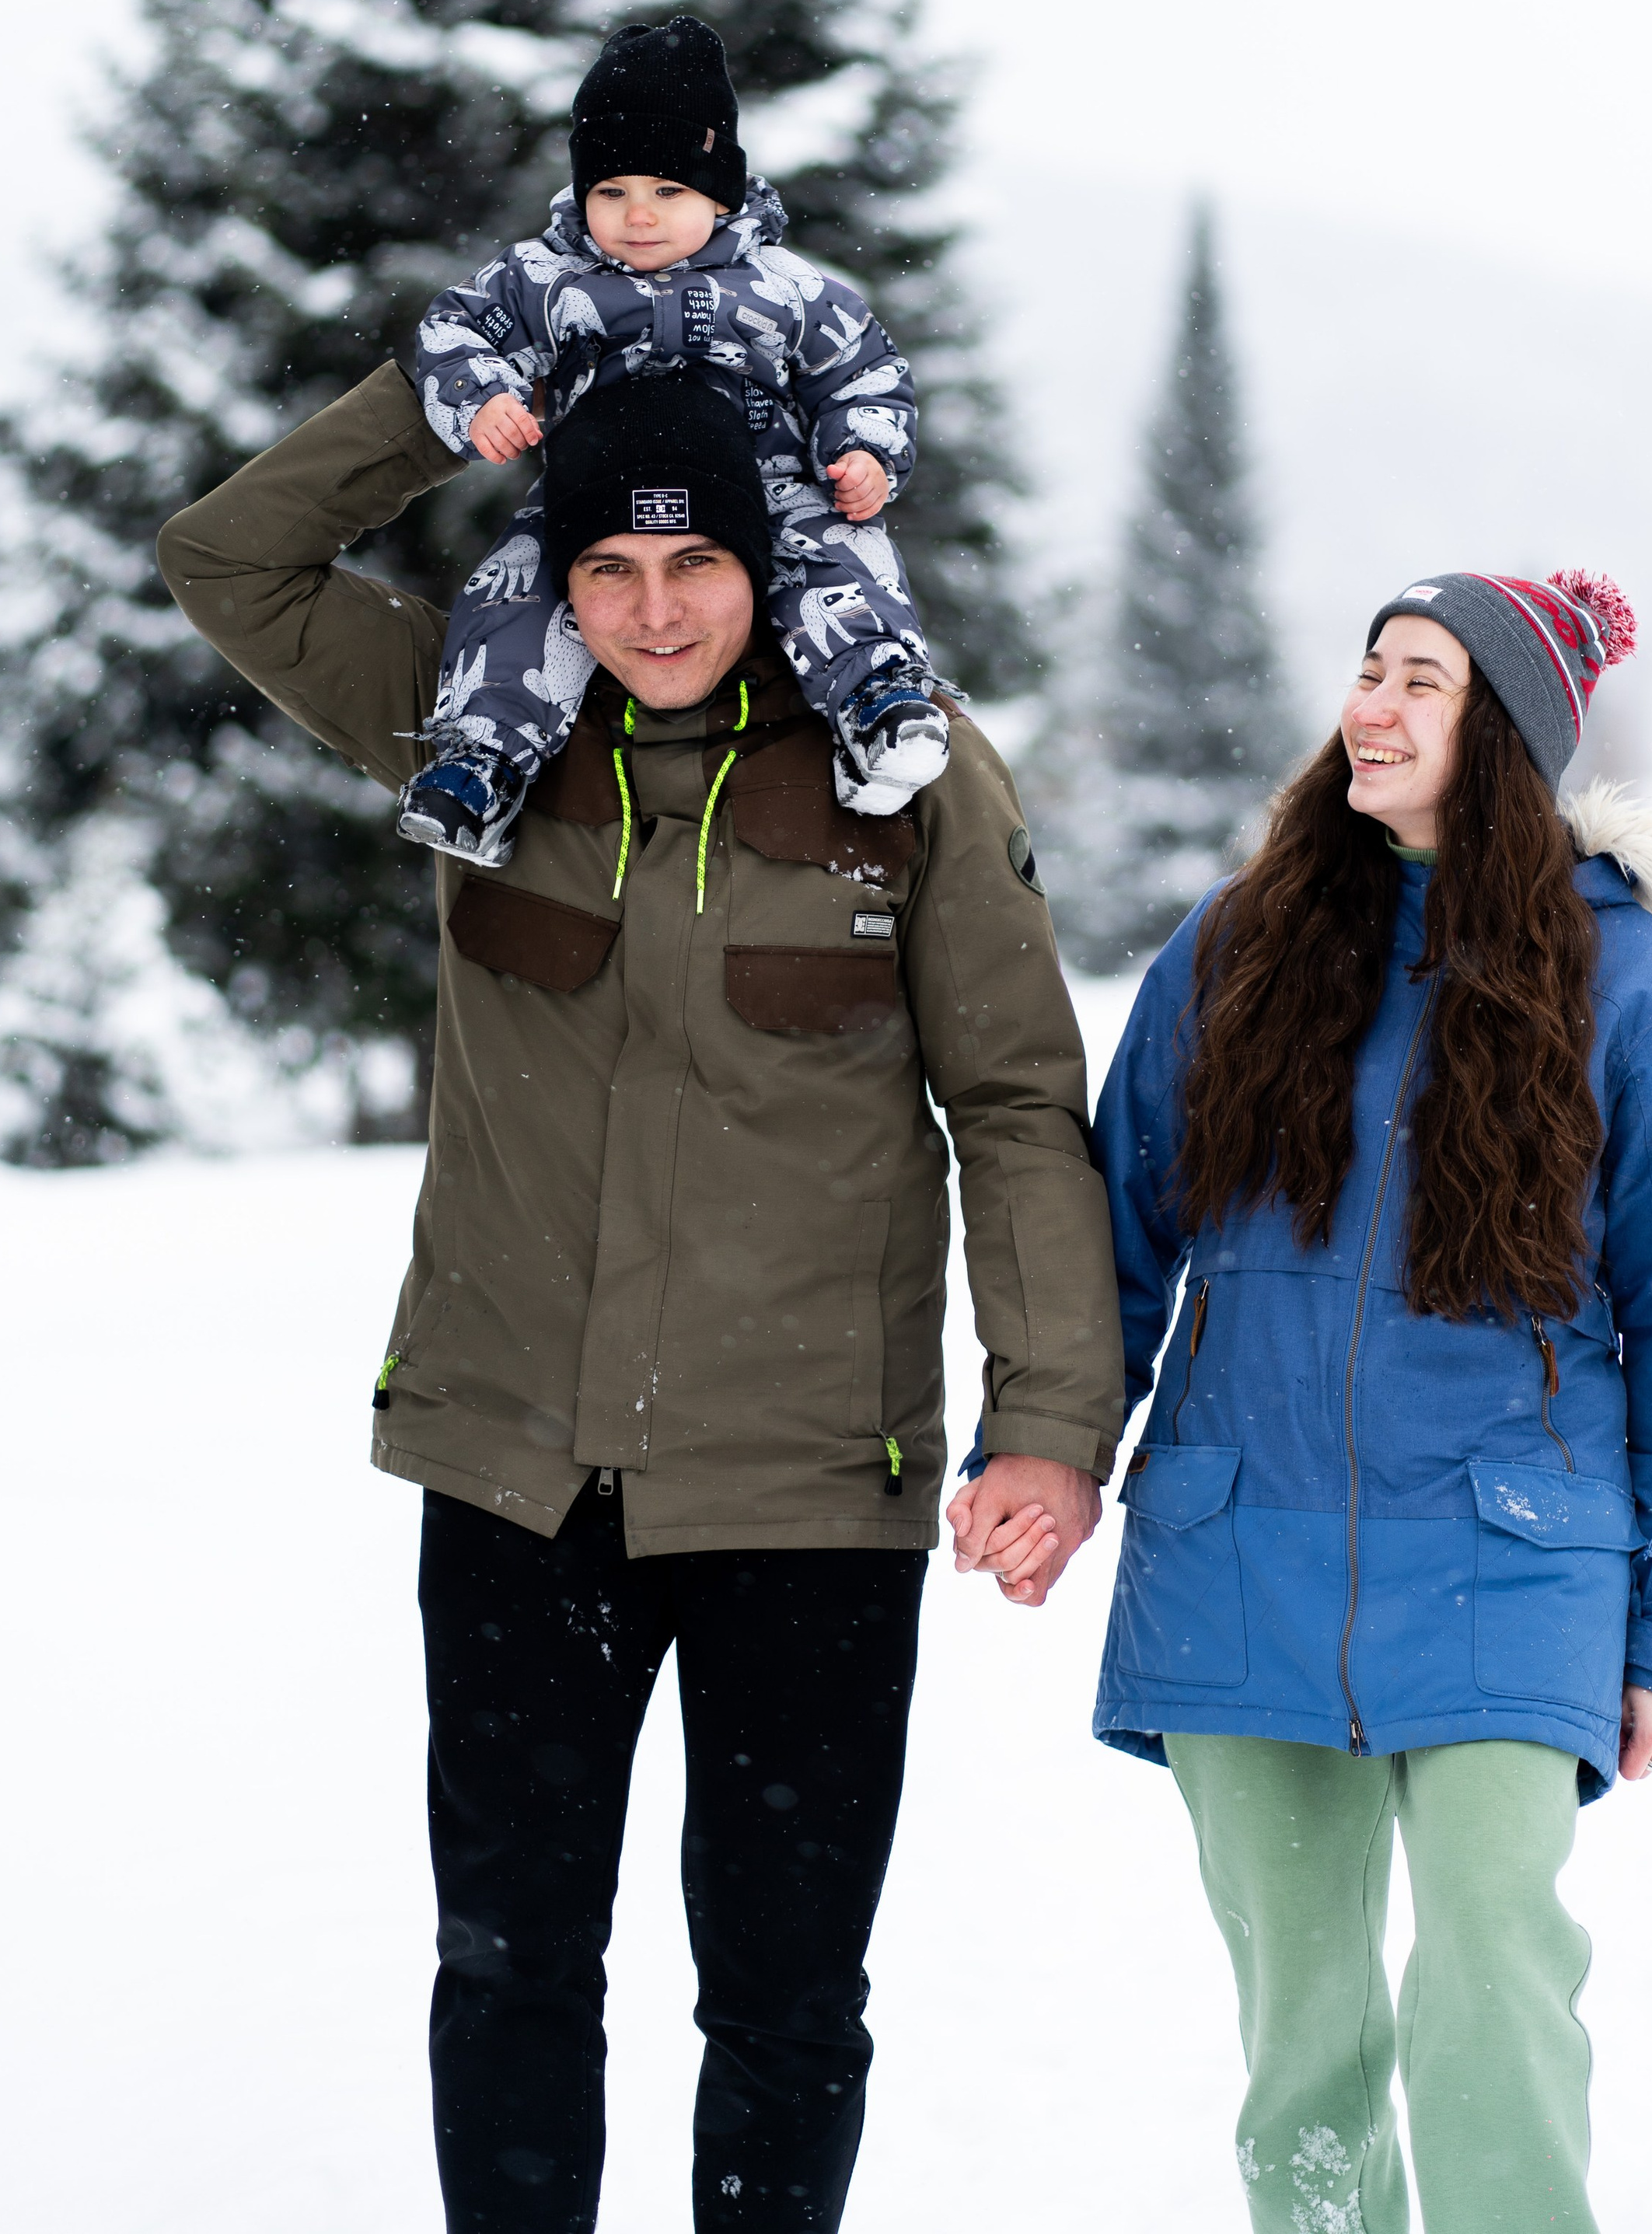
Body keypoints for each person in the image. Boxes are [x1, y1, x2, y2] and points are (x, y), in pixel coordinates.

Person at [156, 361, 1123, 2234]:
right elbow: (230, 555)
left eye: (692, 562)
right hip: (519, 1477)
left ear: (762, 556)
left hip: (804, 1492)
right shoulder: (474, 714)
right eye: (603, 565)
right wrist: (458, 400)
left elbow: (1013, 1102)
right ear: (555, 570)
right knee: (511, 1968)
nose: (654, 608)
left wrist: (1049, 1419)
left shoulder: (899, 758)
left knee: (781, 2000)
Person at [1081, 568, 1652, 2234]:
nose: (1370, 708)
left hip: (1505, 1553)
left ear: (1508, 739)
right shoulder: (1234, 946)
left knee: (1490, 1988)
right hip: (1240, 1537)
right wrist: (1040, 1449)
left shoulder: (1631, 984)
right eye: (1368, 670)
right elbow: (1114, 1231)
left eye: (1423, 682)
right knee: (1298, 2034)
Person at [402, 12, 947, 863]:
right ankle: (485, 760)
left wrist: (867, 450)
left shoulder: (786, 287)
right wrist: (482, 399)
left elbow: (865, 371)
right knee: (522, 591)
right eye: (611, 192)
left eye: (668, 191)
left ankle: (877, 698)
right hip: (596, 486)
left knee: (837, 555)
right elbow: (454, 330)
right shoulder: (546, 276)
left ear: (719, 194)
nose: (638, 217)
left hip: (765, 480)